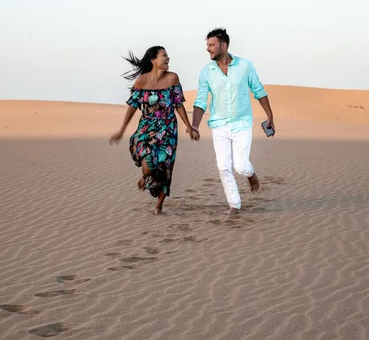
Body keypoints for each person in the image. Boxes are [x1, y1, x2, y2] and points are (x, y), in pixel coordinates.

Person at [191, 28, 275, 216]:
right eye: (207, 45)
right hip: (219, 125)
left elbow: (259, 91)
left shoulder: (245, 66)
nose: (208, 49)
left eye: (211, 45)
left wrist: (269, 116)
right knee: (223, 167)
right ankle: (235, 205)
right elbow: (200, 100)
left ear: (224, 45)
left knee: (241, 166)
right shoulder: (206, 72)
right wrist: (194, 125)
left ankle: (250, 173)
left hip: (242, 123)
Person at [110, 46, 198, 215]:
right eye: (164, 56)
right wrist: (121, 130)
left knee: (165, 166)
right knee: (148, 165)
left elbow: (178, 104)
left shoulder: (173, 78)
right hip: (147, 127)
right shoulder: (142, 81)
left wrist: (188, 126)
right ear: (153, 60)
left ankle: (159, 204)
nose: (168, 58)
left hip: (168, 128)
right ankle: (145, 176)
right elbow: (132, 107)